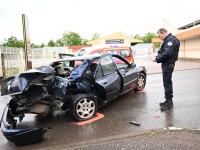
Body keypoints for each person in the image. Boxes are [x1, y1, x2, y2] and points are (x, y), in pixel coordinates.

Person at [151, 28, 180, 111]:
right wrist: (156, 55)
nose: (159, 37)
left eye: (159, 36)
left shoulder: (171, 40)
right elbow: (163, 51)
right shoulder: (167, 40)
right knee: (166, 82)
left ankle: (169, 102)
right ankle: (168, 100)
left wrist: (156, 59)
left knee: (167, 82)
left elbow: (167, 53)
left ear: (163, 33)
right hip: (167, 63)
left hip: (168, 63)